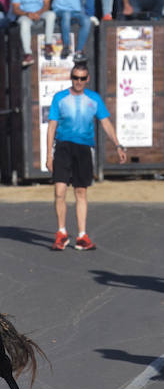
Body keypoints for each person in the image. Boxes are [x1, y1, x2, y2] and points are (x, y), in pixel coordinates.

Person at [46, 63, 124, 251]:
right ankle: (61, 233)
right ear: (71, 77)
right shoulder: (60, 98)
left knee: (81, 192)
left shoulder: (94, 99)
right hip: (63, 147)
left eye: (82, 78)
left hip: (83, 149)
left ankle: (82, 236)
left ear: (87, 79)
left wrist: (118, 144)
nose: (78, 82)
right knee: (60, 191)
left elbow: (105, 122)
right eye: (75, 78)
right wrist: (48, 154)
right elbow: (51, 127)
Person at [12, 0, 56, 67]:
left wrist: (38, 13)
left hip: (40, 12)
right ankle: (28, 54)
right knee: (24, 23)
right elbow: (15, 8)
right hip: (25, 14)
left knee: (51, 15)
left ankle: (48, 45)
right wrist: (27, 14)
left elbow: (46, 4)